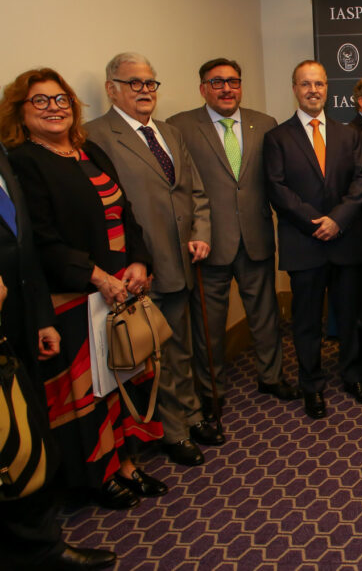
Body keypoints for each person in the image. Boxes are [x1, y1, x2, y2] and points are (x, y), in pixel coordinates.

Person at [1, 68, 167, 509]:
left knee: (123, 380)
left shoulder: (89, 149)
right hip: (77, 296)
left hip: (120, 290)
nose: (54, 108)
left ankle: (127, 463)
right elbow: (41, 238)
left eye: (61, 99)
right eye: (40, 101)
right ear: (20, 111)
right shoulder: (23, 162)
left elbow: (124, 211)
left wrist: (138, 261)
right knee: (91, 394)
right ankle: (101, 475)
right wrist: (98, 277)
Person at [86, 52, 223, 467]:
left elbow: (195, 192)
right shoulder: (95, 136)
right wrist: (133, 259)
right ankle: (173, 432)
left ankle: (192, 416)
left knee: (180, 348)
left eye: (149, 83)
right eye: (134, 83)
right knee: (155, 356)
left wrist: (201, 233)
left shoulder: (169, 132)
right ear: (111, 89)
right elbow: (105, 210)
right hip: (137, 268)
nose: (144, 91)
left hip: (181, 261)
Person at [0, 147, 116, 569]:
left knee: (20, 439)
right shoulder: (25, 157)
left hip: (20, 319)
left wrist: (40, 318)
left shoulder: (3, 158)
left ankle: (38, 545)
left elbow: (24, 243)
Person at [166, 58, 300, 423]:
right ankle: (211, 391)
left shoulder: (265, 124)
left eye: (233, 81)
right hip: (208, 244)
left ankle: (271, 377)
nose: (227, 88)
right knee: (208, 326)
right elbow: (181, 187)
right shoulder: (180, 127)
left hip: (256, 236)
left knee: (266, 316)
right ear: (203, 88)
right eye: (217, 82)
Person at [264, 60, 362, 419]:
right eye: (306, 84)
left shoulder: (348, 135)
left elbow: (361, 182)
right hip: (304, 242)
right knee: (307, 322)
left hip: (346, 240)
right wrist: (315, 222)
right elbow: (277, 188)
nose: (313, 90)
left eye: (319, 84)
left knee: (351, 316)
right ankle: (312, 386)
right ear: (295, 89)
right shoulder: (277, 138)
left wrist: (337, 220)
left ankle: (353, 376)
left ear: (328, 89)